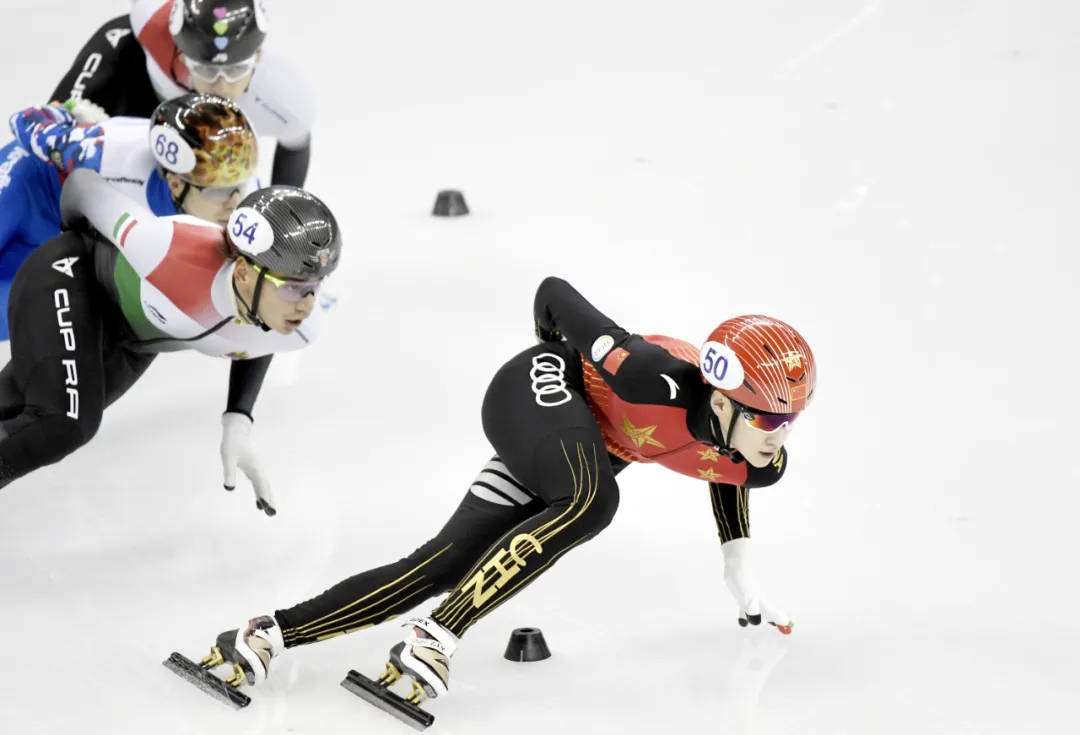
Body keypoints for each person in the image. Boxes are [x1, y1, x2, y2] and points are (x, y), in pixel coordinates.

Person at [189, 276, 816, 718]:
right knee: (593, 501)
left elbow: (730, 474)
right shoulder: (648, 374)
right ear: (723, 399)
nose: (778, 437)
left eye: (790, 421)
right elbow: (554, 293)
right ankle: (436, 634)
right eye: (767, 420)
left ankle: (265, 634)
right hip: (541, 388)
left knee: (445, 563)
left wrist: (737, 564)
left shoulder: (758, 457)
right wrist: (551, 342)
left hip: (570, 452)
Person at [0, 168, 342, 515]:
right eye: (295, 287)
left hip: (133, 342)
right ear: (242, 272)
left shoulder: (300, 325)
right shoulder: (167, 247)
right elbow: (82, 186)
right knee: (65, 422)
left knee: (16, 407)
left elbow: (261, 341)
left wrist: (238, 420)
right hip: (73, 272)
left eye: (317, 285)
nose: (308, 303)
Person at [0, 92, 260, 340]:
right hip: (28, 185)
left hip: (68, 227)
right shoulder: (111, 151)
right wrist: (64, 113)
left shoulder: (247, 202)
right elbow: (24, 120)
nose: (236, 202)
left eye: (242, 185)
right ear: (176, 185)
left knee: (13, 316)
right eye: (222, 191)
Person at [50, 0, 313, 187]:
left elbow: (295, 148)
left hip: (176, 109)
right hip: (135, 81)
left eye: (235, 71)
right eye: (205, 70)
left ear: (257, 56)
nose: (220, 87)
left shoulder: (285, 97)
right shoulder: (150, 21)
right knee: (55, 133)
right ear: (182, 53)